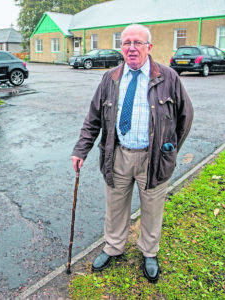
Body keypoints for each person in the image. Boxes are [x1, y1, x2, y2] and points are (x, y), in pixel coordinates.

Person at [71, 24, 194, 283]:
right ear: (122, 48)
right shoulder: (111, 78)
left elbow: (185, 116)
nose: (132, 48)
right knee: (115, 207)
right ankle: (113, 246)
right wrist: (81, 148)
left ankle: (149, 251)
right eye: (126, 43)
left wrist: (168, 151)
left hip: (153, 158)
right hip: (118, 155)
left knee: (152, 208)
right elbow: (93, 117)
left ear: (149, 47)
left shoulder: (168, 77)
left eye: (138, 42)